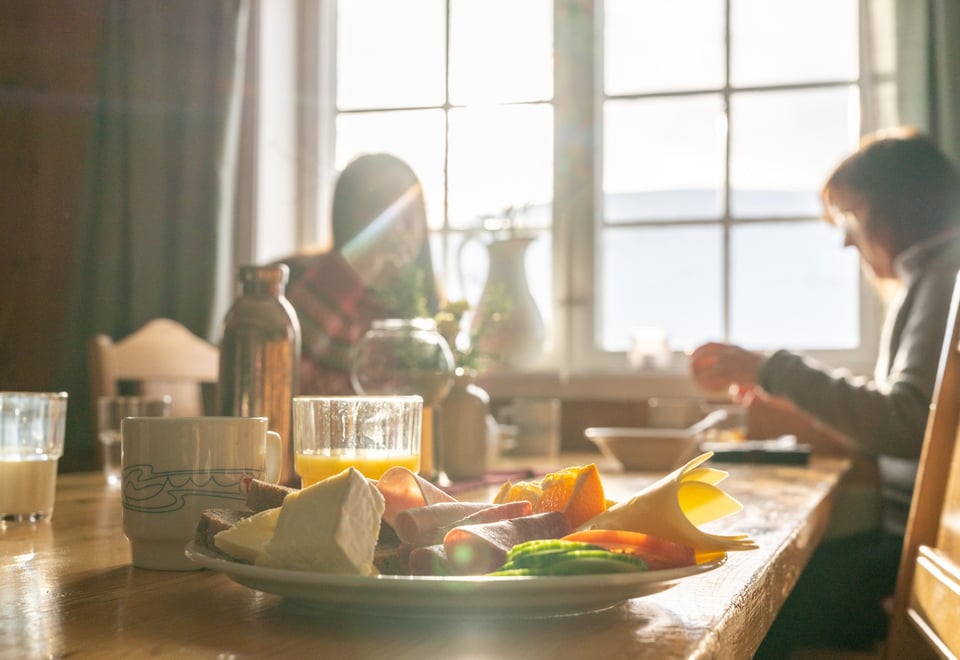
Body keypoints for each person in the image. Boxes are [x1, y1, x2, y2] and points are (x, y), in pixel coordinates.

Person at [689, 127, 960, 655]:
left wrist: (773, 369)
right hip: (913, 546)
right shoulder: (931, 276)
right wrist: (799, 414)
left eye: (851, 216)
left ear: (898, 210)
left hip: (913, 556)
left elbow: (906, 424)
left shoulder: (945, 275)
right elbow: (916, 427)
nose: (845, 239)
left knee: (746, 599)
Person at [278, 153, 442, 395]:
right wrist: (359, 263)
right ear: (347, 215)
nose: (396, 224)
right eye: (377, 204)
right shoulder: (298, 284)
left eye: (409, 210)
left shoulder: (426, 308)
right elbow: (289, 379)